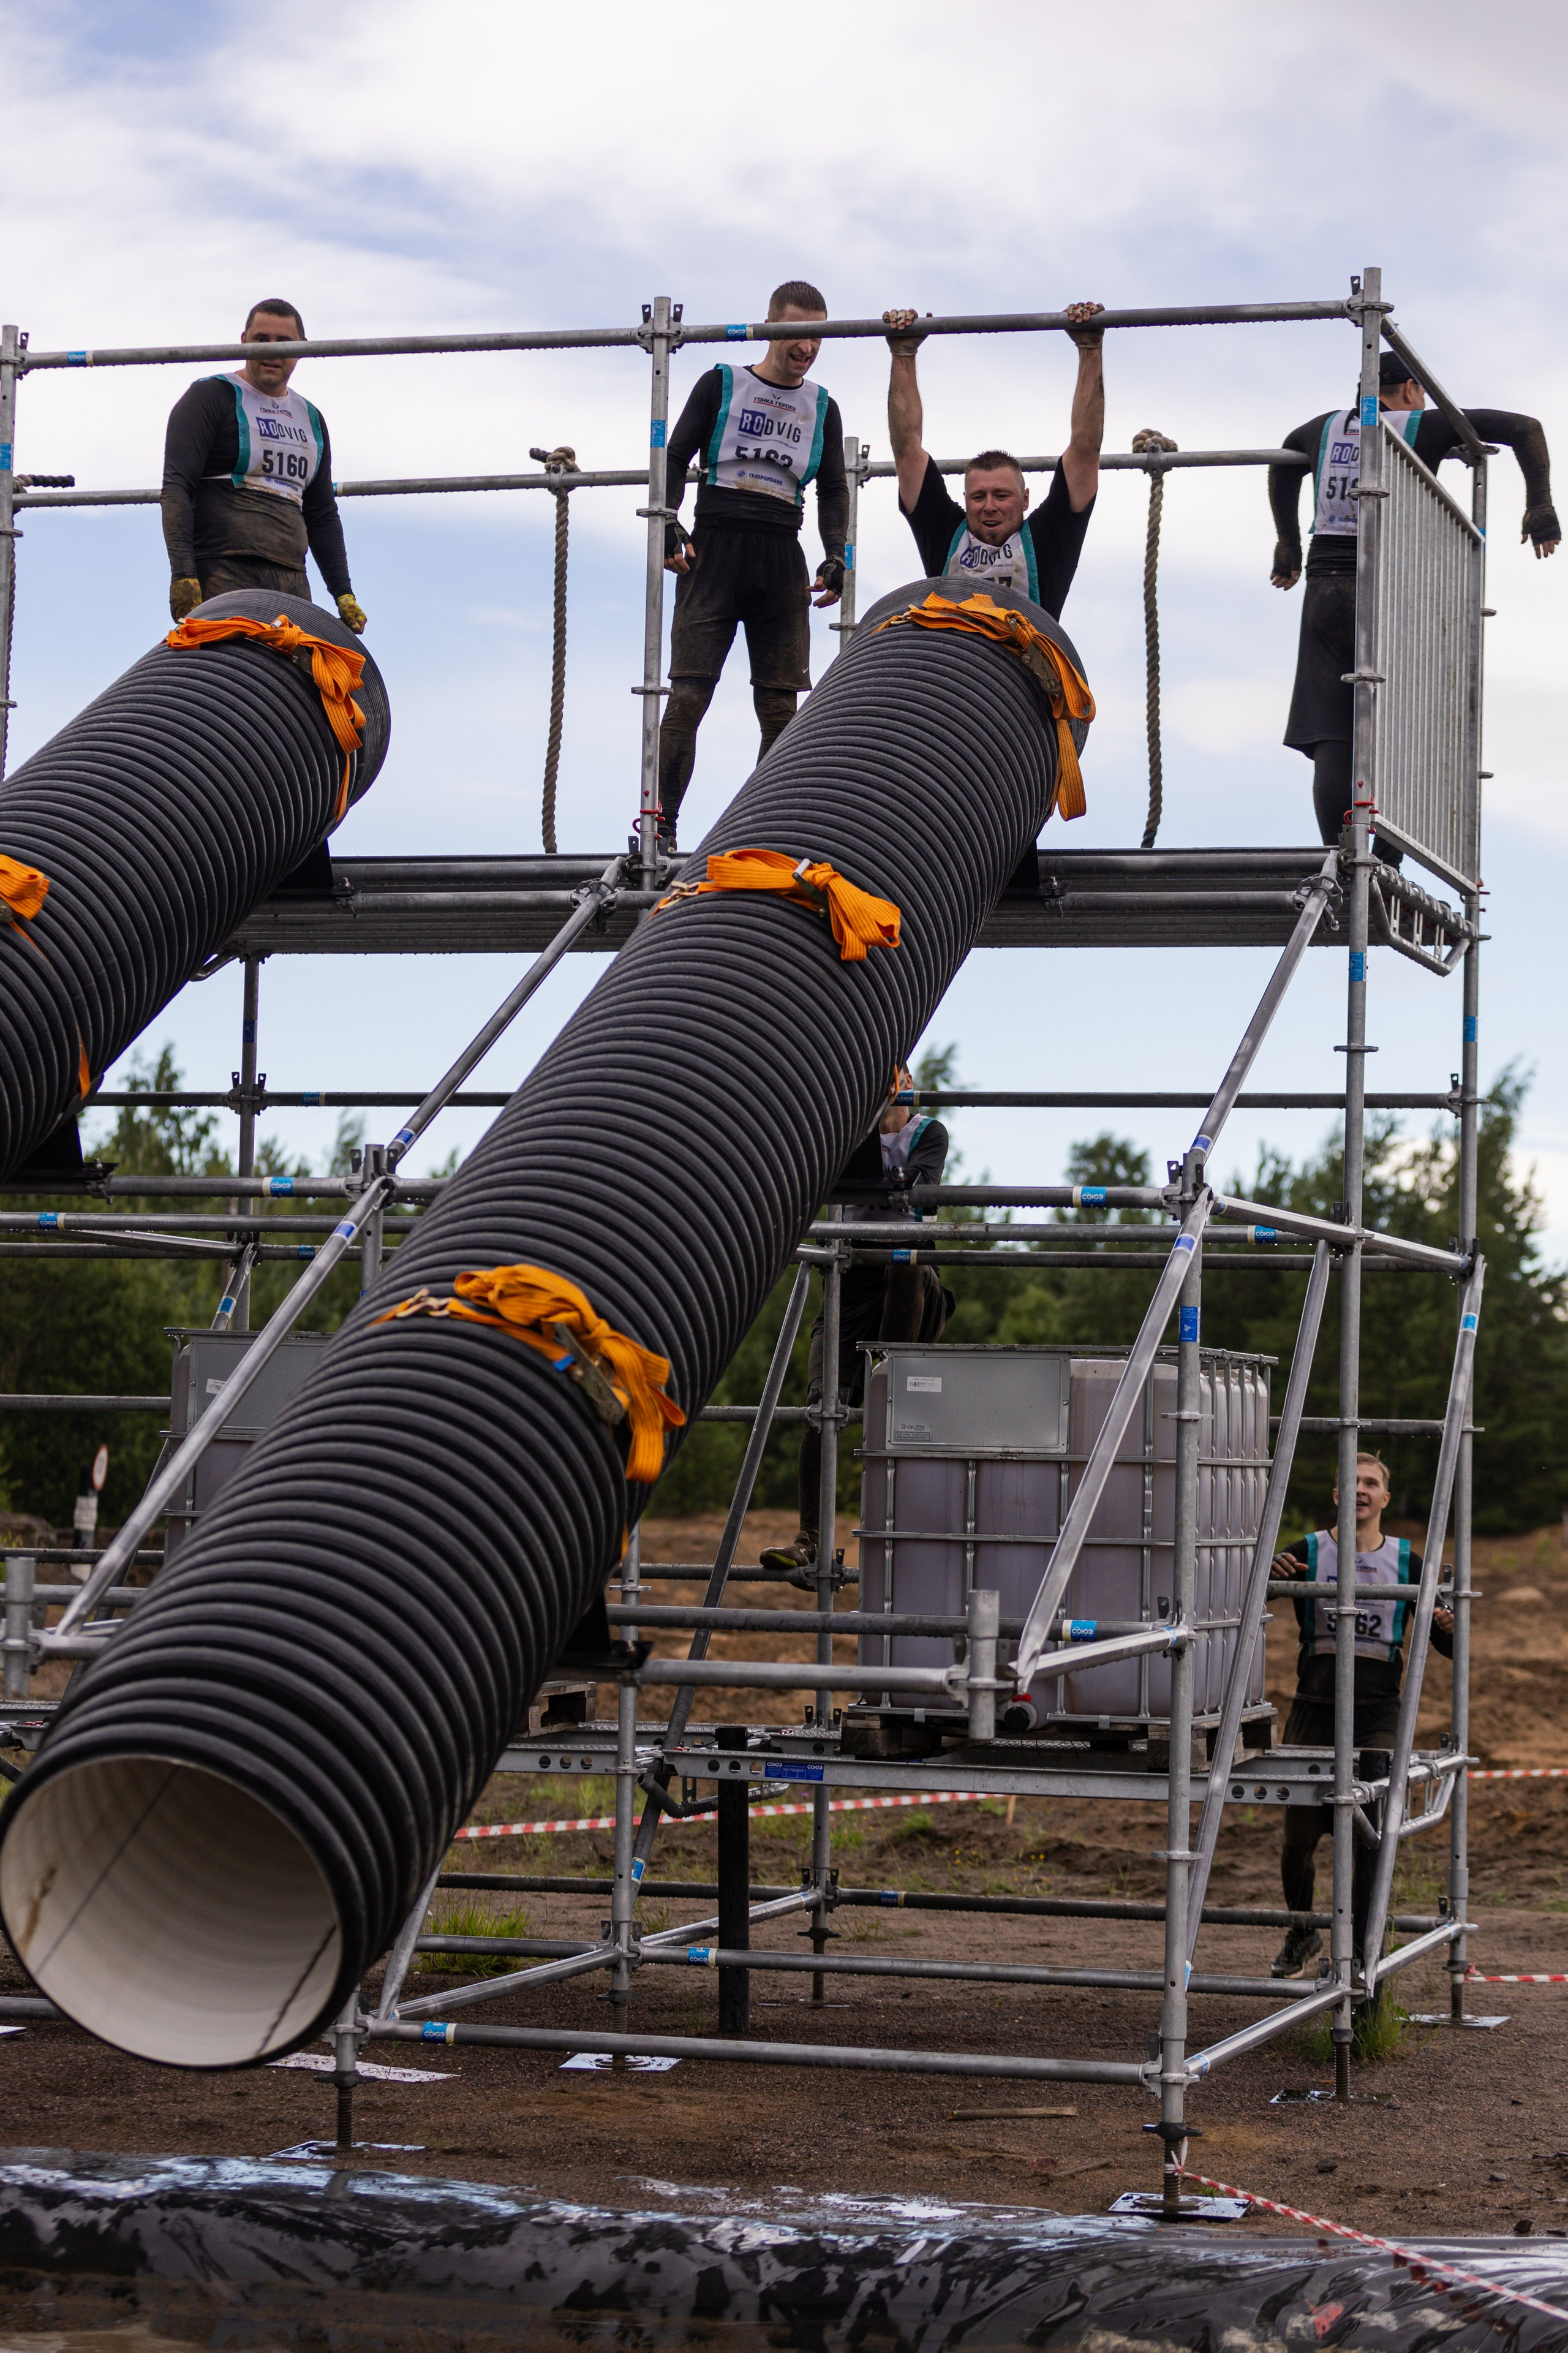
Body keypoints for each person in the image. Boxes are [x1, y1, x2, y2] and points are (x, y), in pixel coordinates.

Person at [1270, 352, 1557, 852]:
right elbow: (1526, 428)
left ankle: (1341, 859)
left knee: (1334, 733)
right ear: (1408, 390)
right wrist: (1541, 504)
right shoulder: (1422, 425)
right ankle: (1383, 864)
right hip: (1392, 589)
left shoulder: (1324, 427)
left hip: (1326, 589)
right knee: (1406, 725)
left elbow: (1283, 461)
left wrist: (1288, 543)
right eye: (1420, 392)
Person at [656, 281, 848, 849]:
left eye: (817, 335)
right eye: (795, 333)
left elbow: (835, 489)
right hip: (715, 546)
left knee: (780, 709)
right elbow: (674, 453)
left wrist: (838, 553)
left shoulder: (824, 407)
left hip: (779, 553)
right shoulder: (722, 384)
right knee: (688, 696)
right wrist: (668, 519)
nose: (806, 346)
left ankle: (767, 828)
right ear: (769, 328)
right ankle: (662, 825)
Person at [1268, 1452, 1453, 1979]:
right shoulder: (1307, 1549)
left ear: (1385, 1498)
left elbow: (1449, 1644)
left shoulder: (1408, 1562)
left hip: (1377, 1712)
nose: (1361, 1490)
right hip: (1313, 1708)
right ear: (1337, 1495)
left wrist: (1444, 1621)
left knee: (1370, 1834)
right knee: (1298, 1838)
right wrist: (1275, 1575)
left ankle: (1359, 1952)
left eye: (1371, 1482)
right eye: (1351, 1482)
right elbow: (1254, 1596)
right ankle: (1303, 1930)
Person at [761, 1071, 951, 1581]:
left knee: (903, 1263)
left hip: (911, 1282)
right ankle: (811, 1539)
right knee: (819, 1410)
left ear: (908, 1082)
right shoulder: (848, 1131)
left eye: (896, 1077)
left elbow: (922, 1189)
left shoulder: (928, 1131)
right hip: (850, 1277)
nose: (888, 1087)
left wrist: (897, 1186)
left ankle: (889, 1380)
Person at [880, 300, 1106, 615]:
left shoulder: (1049, 539)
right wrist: (903, 354)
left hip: (1022, 661)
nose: (989, 506)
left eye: (1002, 495)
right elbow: (907, 450)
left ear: (1025, 499)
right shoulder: (945, 533)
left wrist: (1090, 348)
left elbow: (1084, 450)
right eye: (979, 496)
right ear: (965, 499)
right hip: (951, 660)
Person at [161, 298, 368, 632]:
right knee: (231, 676)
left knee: (301, 679)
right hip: (223, 572)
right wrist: (183, 574)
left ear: (301, 349)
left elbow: (321, 513)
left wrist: (343, 592)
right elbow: (177, 489)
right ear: (244, 342)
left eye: (284, 342)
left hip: (291, 582)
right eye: (261, 340)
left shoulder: (310, 418)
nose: (272, 351)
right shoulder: (211, 397)